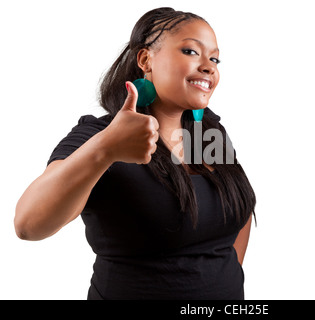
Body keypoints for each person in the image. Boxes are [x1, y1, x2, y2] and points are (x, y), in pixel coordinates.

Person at [14, 7, 256, 300]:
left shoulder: (205, 134)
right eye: (191, 51)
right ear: (145, 59)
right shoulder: (99, 136)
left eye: (214, 58)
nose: (209, 66)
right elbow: (28, 225)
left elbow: (237, 208)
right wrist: (106, 149)